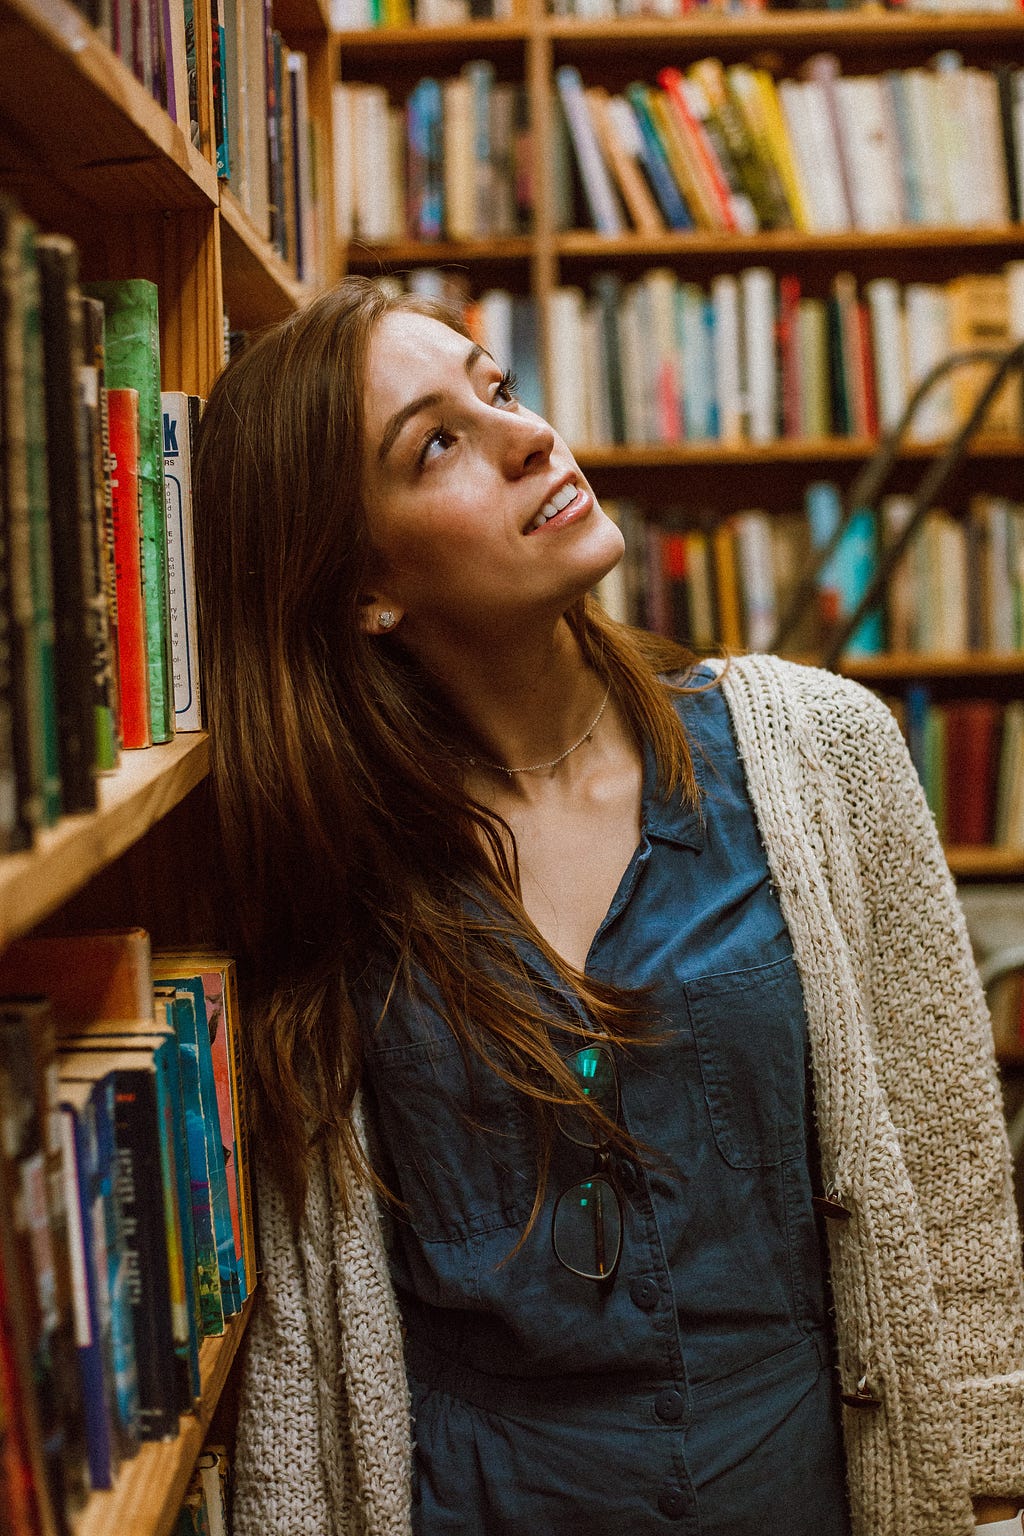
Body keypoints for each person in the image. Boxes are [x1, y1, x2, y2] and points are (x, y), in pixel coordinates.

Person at [192, 276, 1024, 1536]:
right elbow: (310, 1331)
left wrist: (996, 1493)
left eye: (500, 389)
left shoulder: (819, 752)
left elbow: (952, 1180)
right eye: (438, 445)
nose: (529, 436)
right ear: (363, 588)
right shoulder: (326, 866)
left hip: (802, 1486)